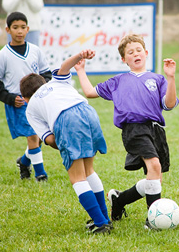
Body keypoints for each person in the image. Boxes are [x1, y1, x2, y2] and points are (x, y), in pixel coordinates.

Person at [76, 34, 179, 229]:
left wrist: (171, 77)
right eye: (130, 52)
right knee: (154, 166)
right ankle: (153, 221)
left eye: (138, 50)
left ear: (146, 53)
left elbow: (169, 104)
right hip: (134, 130)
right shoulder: (118, 81)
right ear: (124, 59)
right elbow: (90, 92)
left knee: (154, 176)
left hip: (156, 130)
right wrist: (80, 70)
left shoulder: (157, 79)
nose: (135, 54)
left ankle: (119, 199)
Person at [19, 49, 112, 234]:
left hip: (67, 120)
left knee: (77, 177)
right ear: (43, 82)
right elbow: (65, 66)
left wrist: (63, 142)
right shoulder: (56, 82)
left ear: (24, 98)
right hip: (88, 112)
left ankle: (101, 223)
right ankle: (104, 218)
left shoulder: (30, 109)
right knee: (89, 170)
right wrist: (80, 56)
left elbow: (50, 139)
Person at [0, 12, 50, 181]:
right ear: (8, 29)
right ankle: (40, 175)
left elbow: (46, 73)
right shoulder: (3, 55)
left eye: (23, 27)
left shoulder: (35, 51)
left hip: (37, 102)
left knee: (37, 139)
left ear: (28, 29)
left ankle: (24, 162)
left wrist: (42, 90)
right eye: (15, 27)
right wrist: (9, 98)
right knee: (32, 136)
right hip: (19, 102)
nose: (19, 31)